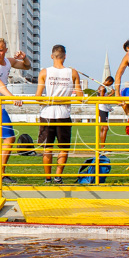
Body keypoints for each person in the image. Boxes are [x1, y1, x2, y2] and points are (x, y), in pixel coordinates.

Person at [0, 38, 32, 185]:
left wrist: (25, 57)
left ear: (6, 49)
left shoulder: (8, 61)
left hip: (0, 106)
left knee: (5, 139)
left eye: (1, 50)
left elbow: (27, 67)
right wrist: (12, 97)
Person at [34, 45, 82, 184]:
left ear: (51, 56)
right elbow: (80, 96)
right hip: (63, 113)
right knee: (63, 147)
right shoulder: (73, 73)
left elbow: (38, 97)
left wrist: (52, 99)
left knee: (47, 148)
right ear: (65, 56)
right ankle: (57, 176)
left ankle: (48, 178)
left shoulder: (44, 72)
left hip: (47, 113)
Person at [96, 75, 116, 148]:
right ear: (108, 81)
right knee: (105, 127)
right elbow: (101, 99)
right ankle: (102, 147)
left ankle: (102, 146)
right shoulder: (102, 88)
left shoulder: (101, 87)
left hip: (103, 108)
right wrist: (111, 94)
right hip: (102, 108)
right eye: (111, 83)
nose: (111, 85)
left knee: (103, 128)